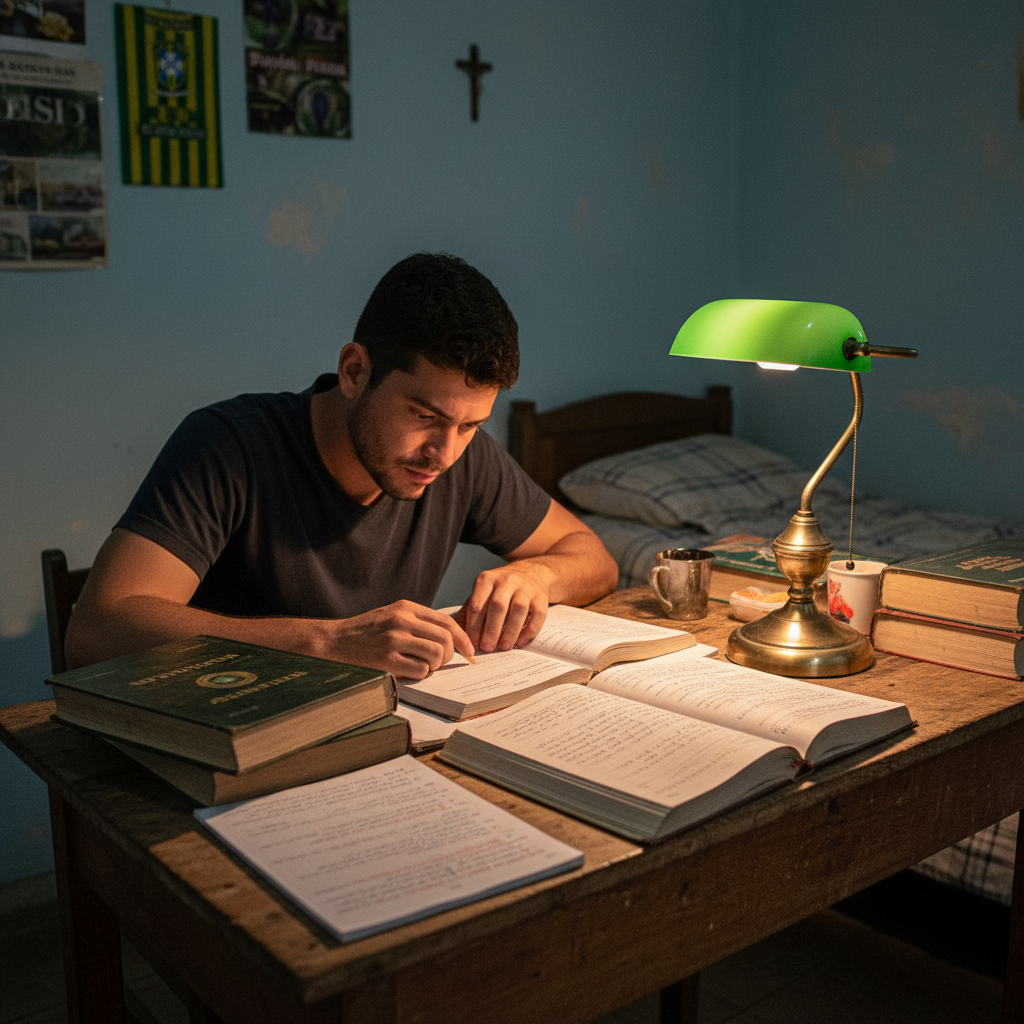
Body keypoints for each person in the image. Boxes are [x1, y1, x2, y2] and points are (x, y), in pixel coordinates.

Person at [66, 252, 618, 677]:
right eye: (423, 415)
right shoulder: (229, 446)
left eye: (471, 425)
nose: (444, 453)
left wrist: (537, 574)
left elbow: (594, 559)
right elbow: (95, 630)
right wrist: (330, 642)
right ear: (355, 371)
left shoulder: (463, 458)